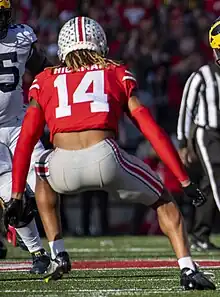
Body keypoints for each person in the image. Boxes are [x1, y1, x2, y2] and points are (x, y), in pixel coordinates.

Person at [6, 17, 215, 290]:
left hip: (61, 166)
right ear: (100, 42)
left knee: (41, 170)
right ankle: (188, 270)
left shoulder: (45, 79)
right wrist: (184, 180)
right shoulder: (114, 72)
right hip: (105, 157)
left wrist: (17, 194)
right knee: (164, 200)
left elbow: (26, 140)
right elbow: (151, 129)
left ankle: (58, 253)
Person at [0, 0, 51, 273]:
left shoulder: (21, 38)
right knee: (13, 195)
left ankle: (58, 250)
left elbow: (45, 69)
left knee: (44, 178)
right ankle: (38, 253)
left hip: (20, 123)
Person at [177, 16, 220, 252]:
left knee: (208, 185)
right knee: (216, 178)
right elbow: (186, 109)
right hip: (209, 134)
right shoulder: (202, 75)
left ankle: (200, 234)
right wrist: (183, 142)